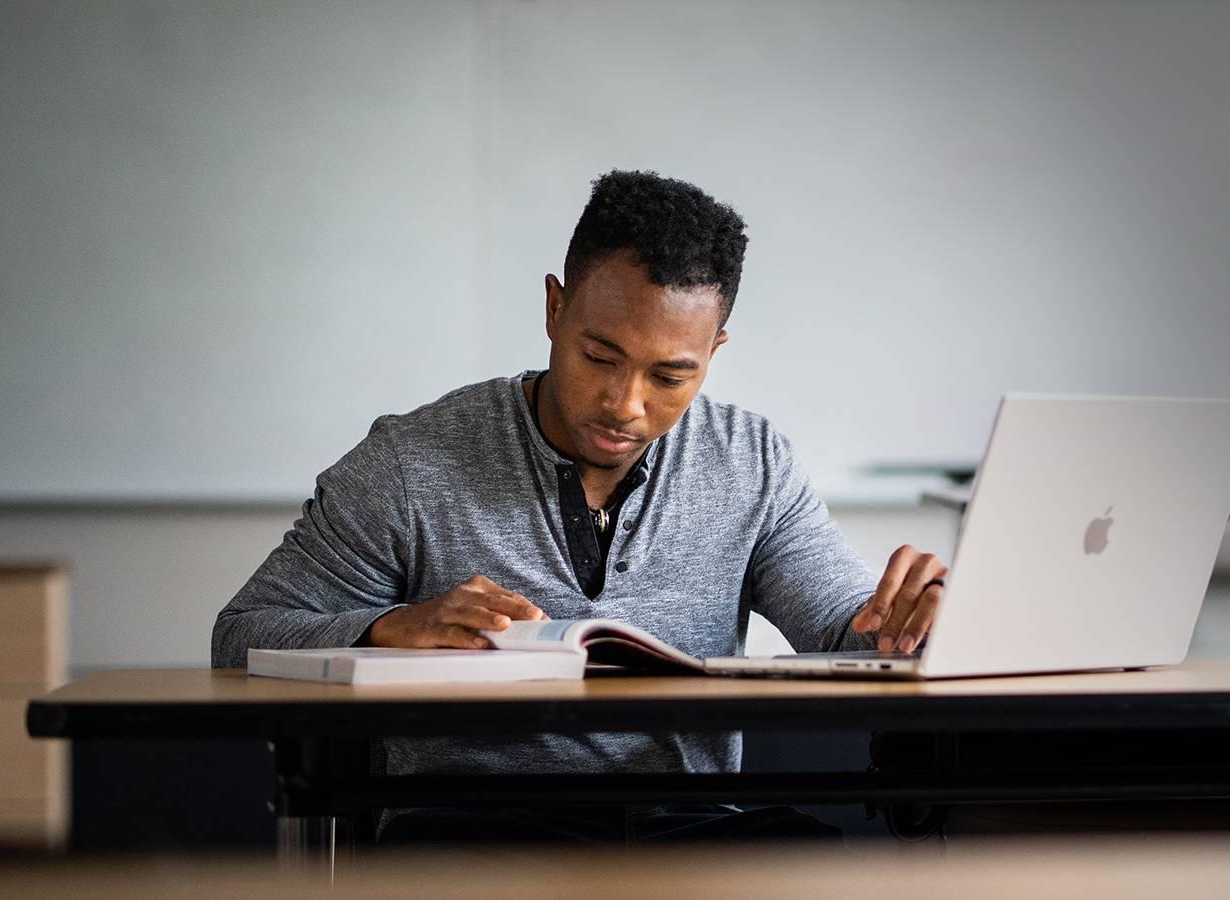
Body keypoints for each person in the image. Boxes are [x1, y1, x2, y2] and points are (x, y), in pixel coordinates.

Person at [211, 169, 948, 843]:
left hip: (692, 830)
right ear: (555, 309)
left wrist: (917, 621)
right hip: (472, 831)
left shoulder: (752, 464)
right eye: (600, 357)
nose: (625, 405)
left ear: (714, 353)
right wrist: (386, 627)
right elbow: (241, 633)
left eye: (670, 375)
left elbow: (845, 632)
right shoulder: (409, 463)